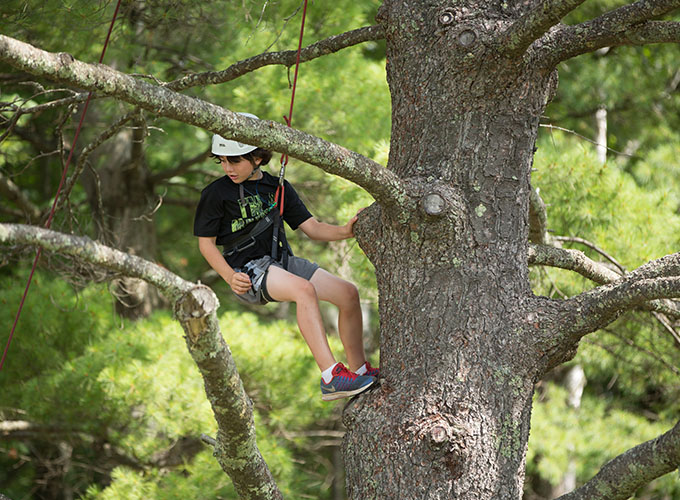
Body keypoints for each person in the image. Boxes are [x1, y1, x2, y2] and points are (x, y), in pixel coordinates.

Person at [193, 113, 378, 401]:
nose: (228, 167)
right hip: (248, 270)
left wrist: (346, 231)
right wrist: (230, 276)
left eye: (235, 160)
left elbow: (313, 229)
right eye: (223, 161)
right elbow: (206, 244)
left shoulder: (278, 187)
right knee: (304, 291)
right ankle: (331, 376)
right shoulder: (216, 194)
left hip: (280, 261)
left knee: (348, 293)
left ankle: (360, 369)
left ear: (257, 157)